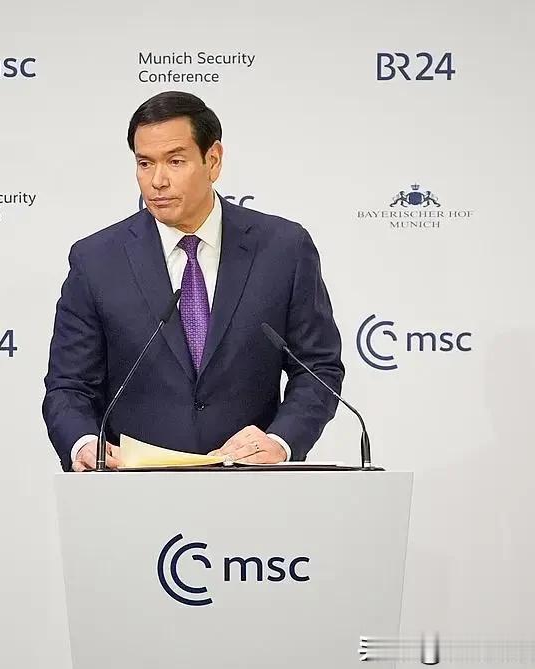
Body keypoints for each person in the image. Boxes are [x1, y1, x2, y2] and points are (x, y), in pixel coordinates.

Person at [42, 91, 345, 472]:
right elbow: (69, 387)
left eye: (175, 161)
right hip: (132, 486)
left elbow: (318, 368)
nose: (157, 181)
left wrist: (281, 441)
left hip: (252, 482)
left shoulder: (283, 249)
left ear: (213, 160)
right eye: (145, 163)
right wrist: (85, 444)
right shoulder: (97, 260)